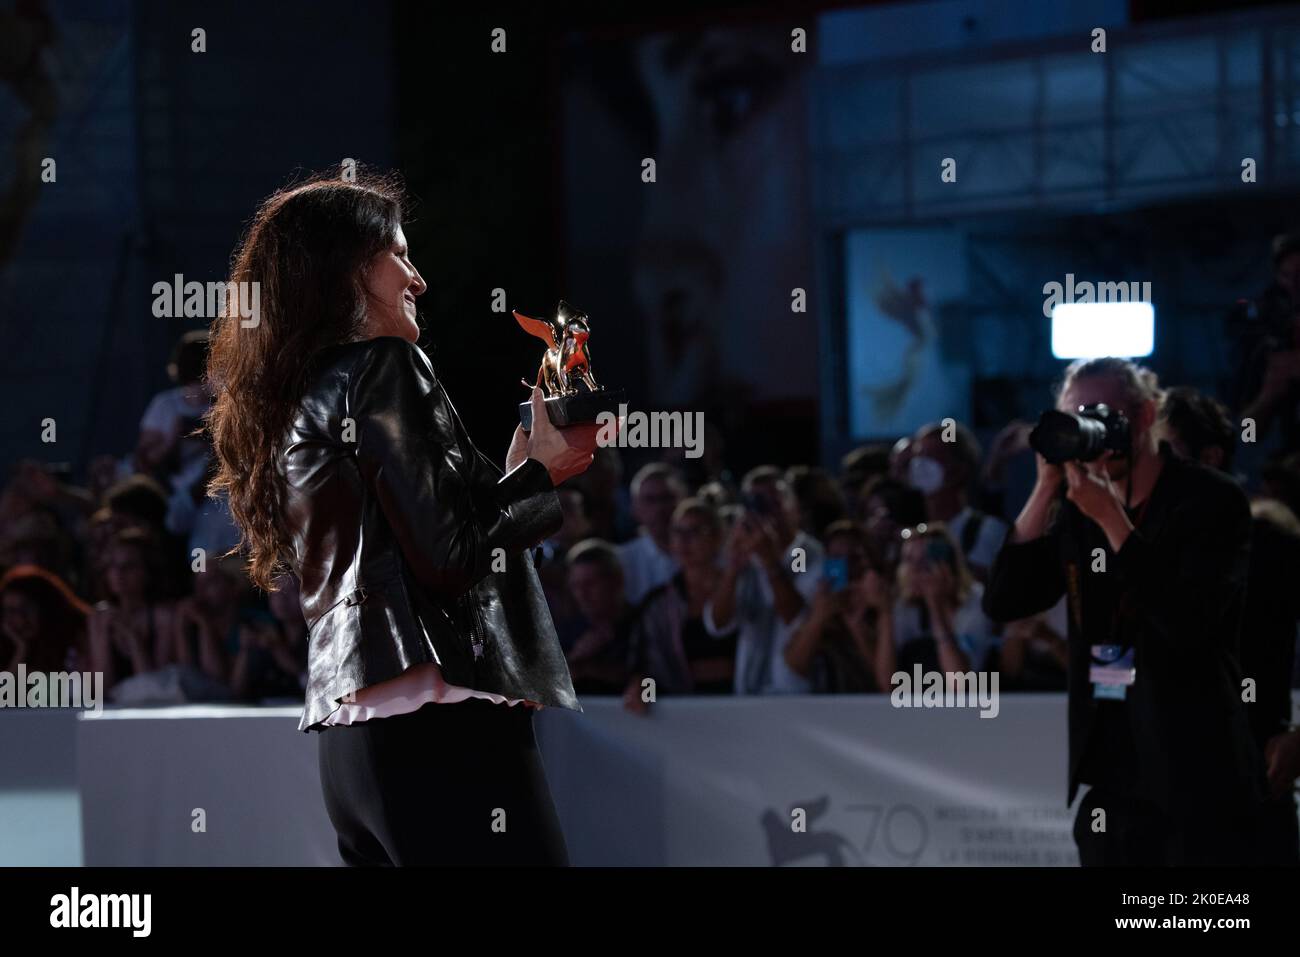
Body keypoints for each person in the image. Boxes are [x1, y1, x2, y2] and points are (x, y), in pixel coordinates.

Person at [205, 171, 611, 866]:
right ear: (347, 271)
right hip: (442, 733)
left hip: (356, 747)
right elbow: (450, 557)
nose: (417, 277)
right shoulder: (388, 365)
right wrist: (547, 473)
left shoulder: (302, 394)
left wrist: (518, 473)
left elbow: (418, 540)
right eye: (398, 254)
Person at [983, 357, 1266, 866]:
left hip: (1197, 768)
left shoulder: (1209, 500)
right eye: (1076, 418)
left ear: (1145, 415)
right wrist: (1045, 486)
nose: (1092, 430)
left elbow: (1189, 625)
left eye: (1102, 414)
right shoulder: (1078, 506)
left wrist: (1113, 521)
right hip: (1112, 773)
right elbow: (1006, 599)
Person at [704, 465, 824, 694]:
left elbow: (797, 619)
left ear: (794, 506)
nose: (765, 512)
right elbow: (716, 624)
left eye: (773, 502)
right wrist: (732, 569)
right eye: (755, 503)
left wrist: (770, 562)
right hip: (748, 695)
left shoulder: (812, 555)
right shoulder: (744, 557)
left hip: (798, 694)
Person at [625, 498, 737, 707]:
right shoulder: (658, 602)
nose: (684, 541)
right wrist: (643, 687)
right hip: (683, 712)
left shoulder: (742, 589)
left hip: (745, 703)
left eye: (695, 531)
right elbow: (645, 666)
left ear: (718, 537)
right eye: (677, 532)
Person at [784, 520, 885, 693]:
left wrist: (858, 627)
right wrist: (819, 618)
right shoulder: (816, 608)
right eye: (837, 558)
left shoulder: (885, 610)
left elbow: (886, 681)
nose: (846, 566)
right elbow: (795, 667)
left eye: (854, 558)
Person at [904, 420, 1007, 583]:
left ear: (959, 470)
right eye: (917, 458)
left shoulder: (987, 531)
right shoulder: (910, 533)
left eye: (931, 458)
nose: (919, 466)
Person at [617, 463, 685, 606]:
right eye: (650, 499)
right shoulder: (622, 561)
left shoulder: (708, 553)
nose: (659, 508)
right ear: (634, 508)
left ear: (683, 501)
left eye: (667, 498)